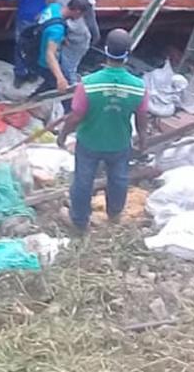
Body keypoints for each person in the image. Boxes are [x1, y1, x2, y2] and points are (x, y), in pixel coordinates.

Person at [55, 29, 149, 234]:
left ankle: (80, 222)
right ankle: (114, 216)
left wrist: (63, 135)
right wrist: (143, 139)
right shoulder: (139, 87)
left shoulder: (88, 84)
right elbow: (142, 117)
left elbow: (76, 116)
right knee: (119, 179)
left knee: (83, 181)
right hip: (119, 142)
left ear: (106, 50)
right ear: (128, 53)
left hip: (89, 142)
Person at [35, 0, 92, 92]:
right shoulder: (57, 29)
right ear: (77, 11)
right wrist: (60, 78)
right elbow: (50, 55)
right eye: (81, 15)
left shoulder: (54, 7)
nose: (80, 18)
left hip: (37, 48)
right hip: (45, 63)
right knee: (52, 88)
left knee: (47, 85)